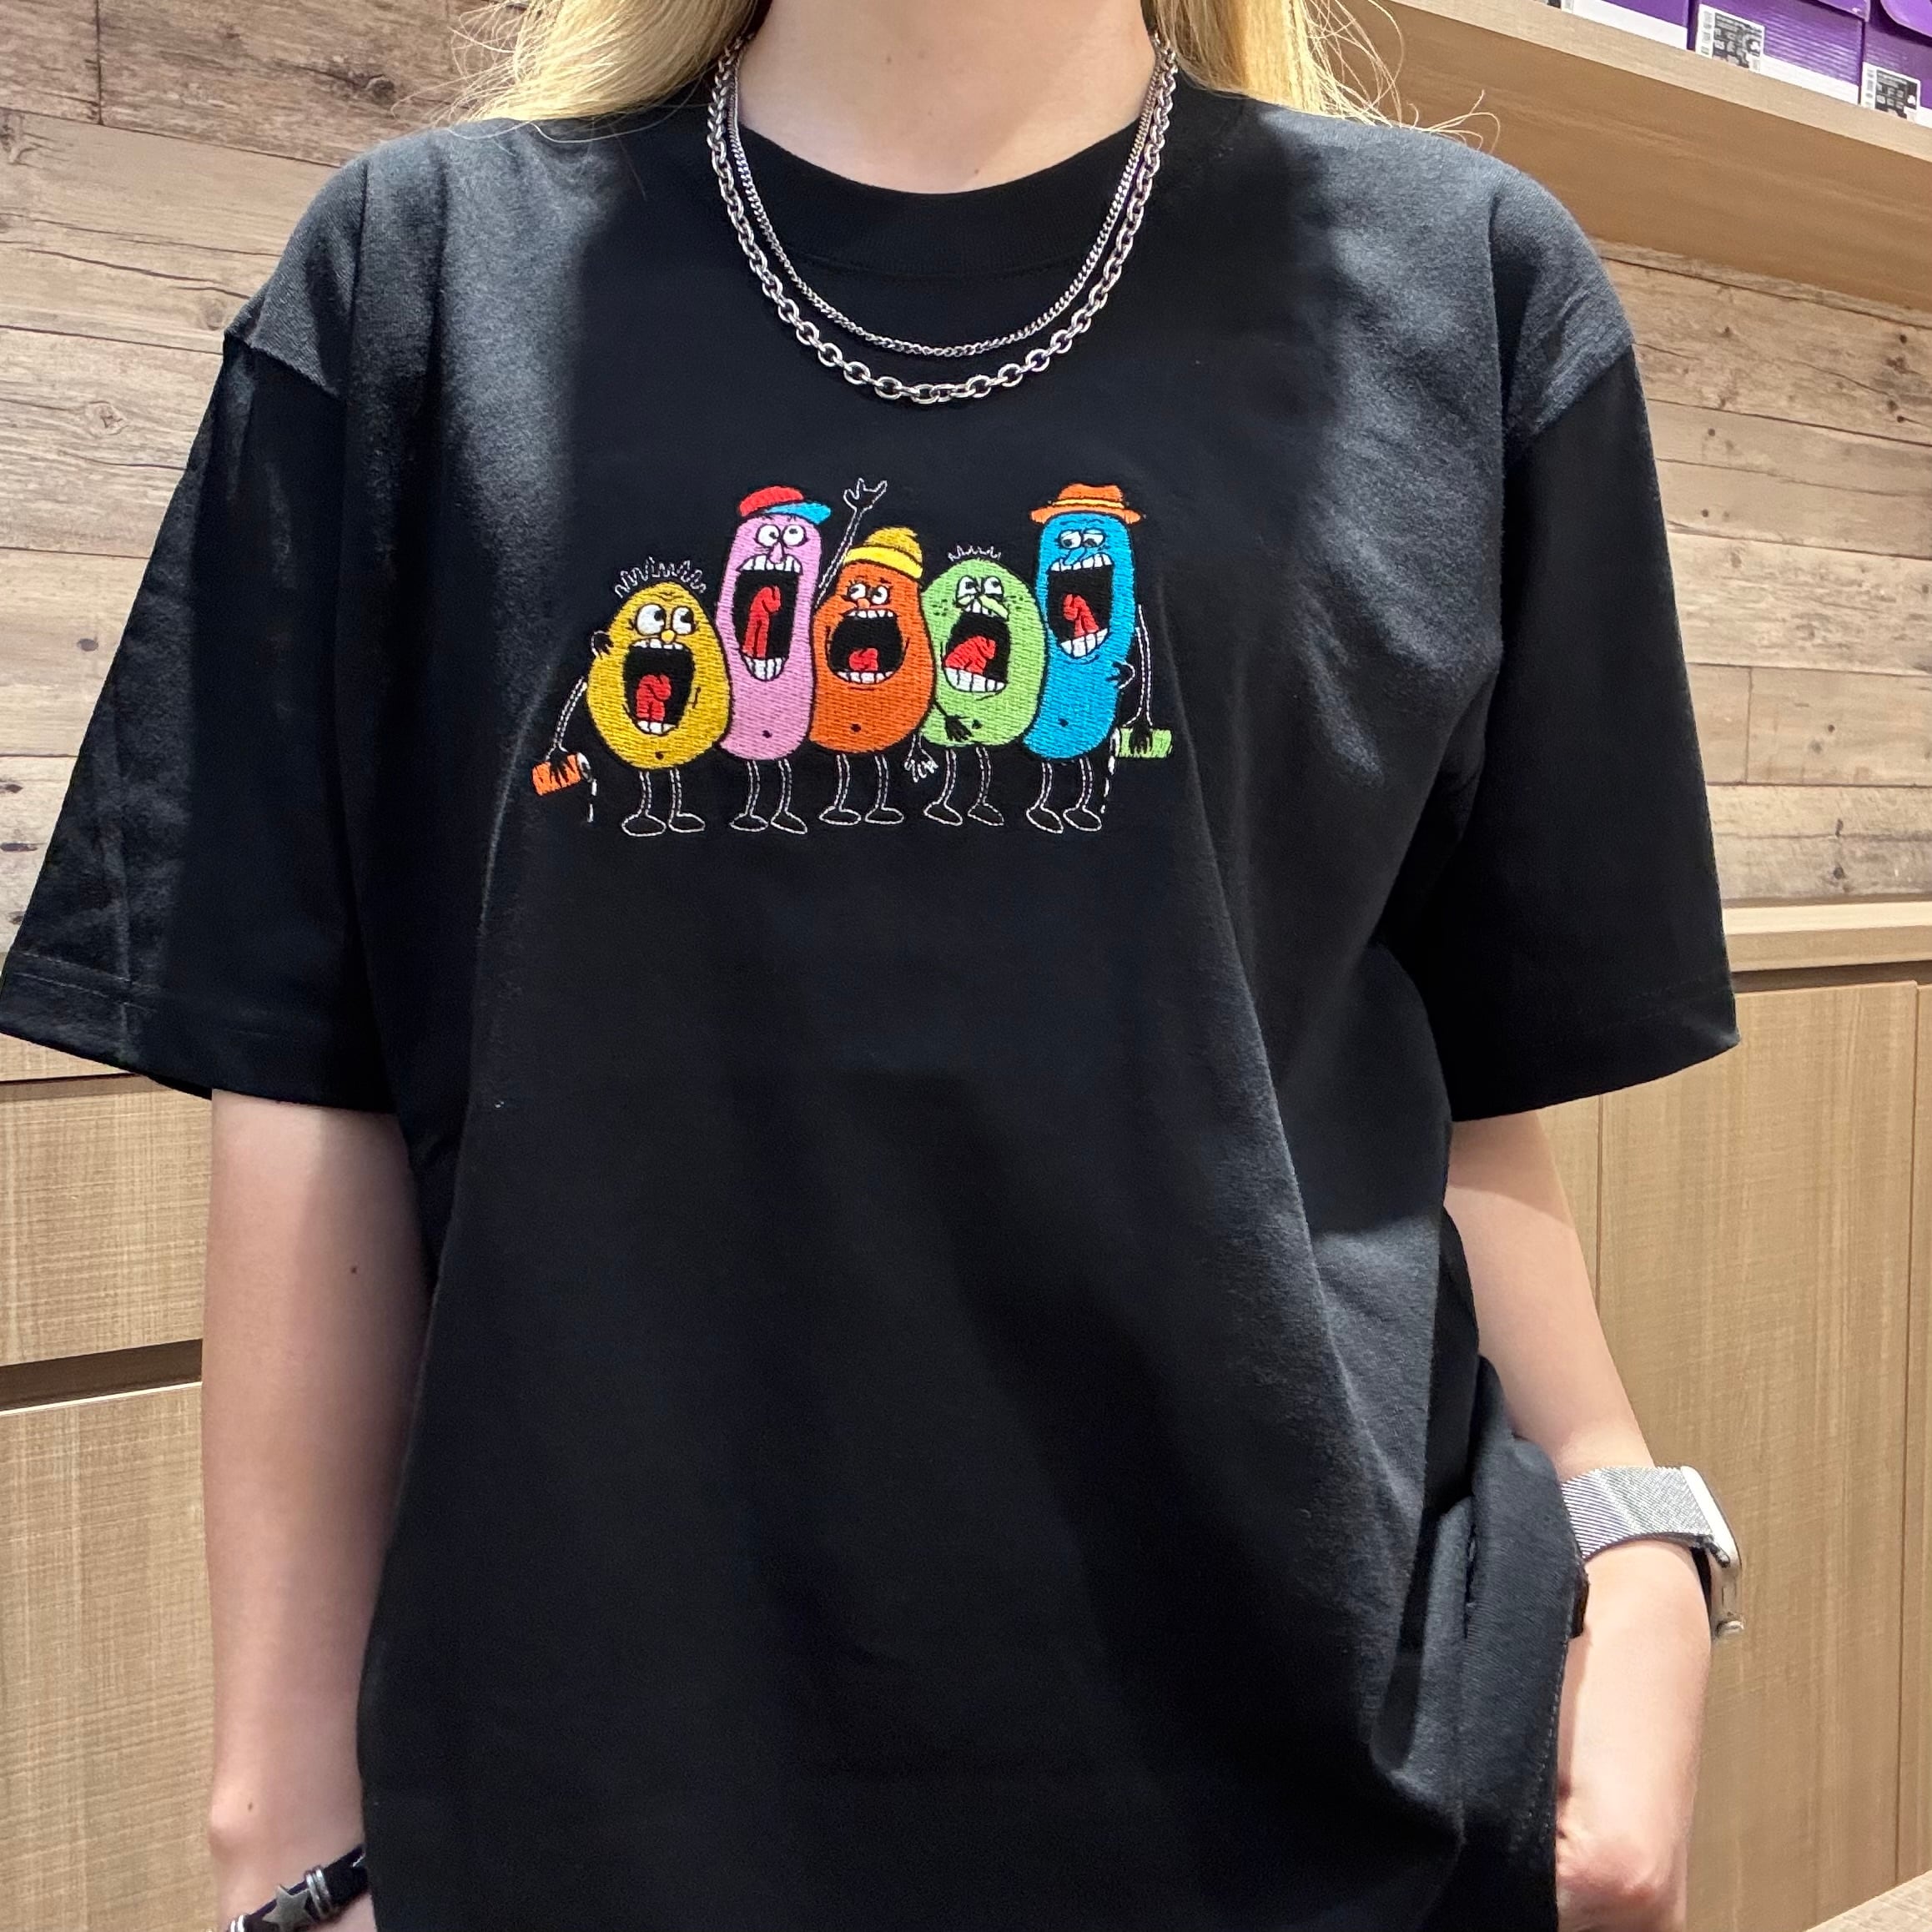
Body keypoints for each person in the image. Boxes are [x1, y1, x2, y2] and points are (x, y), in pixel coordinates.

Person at [0, 0, 1740, 1925]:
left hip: (1324, 1807)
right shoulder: (417, 277)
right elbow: (302, 1066)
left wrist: (1627, 1520)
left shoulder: (1472, 290)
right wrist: (284, 1830)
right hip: (600, 1801)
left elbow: (1450, 1087)